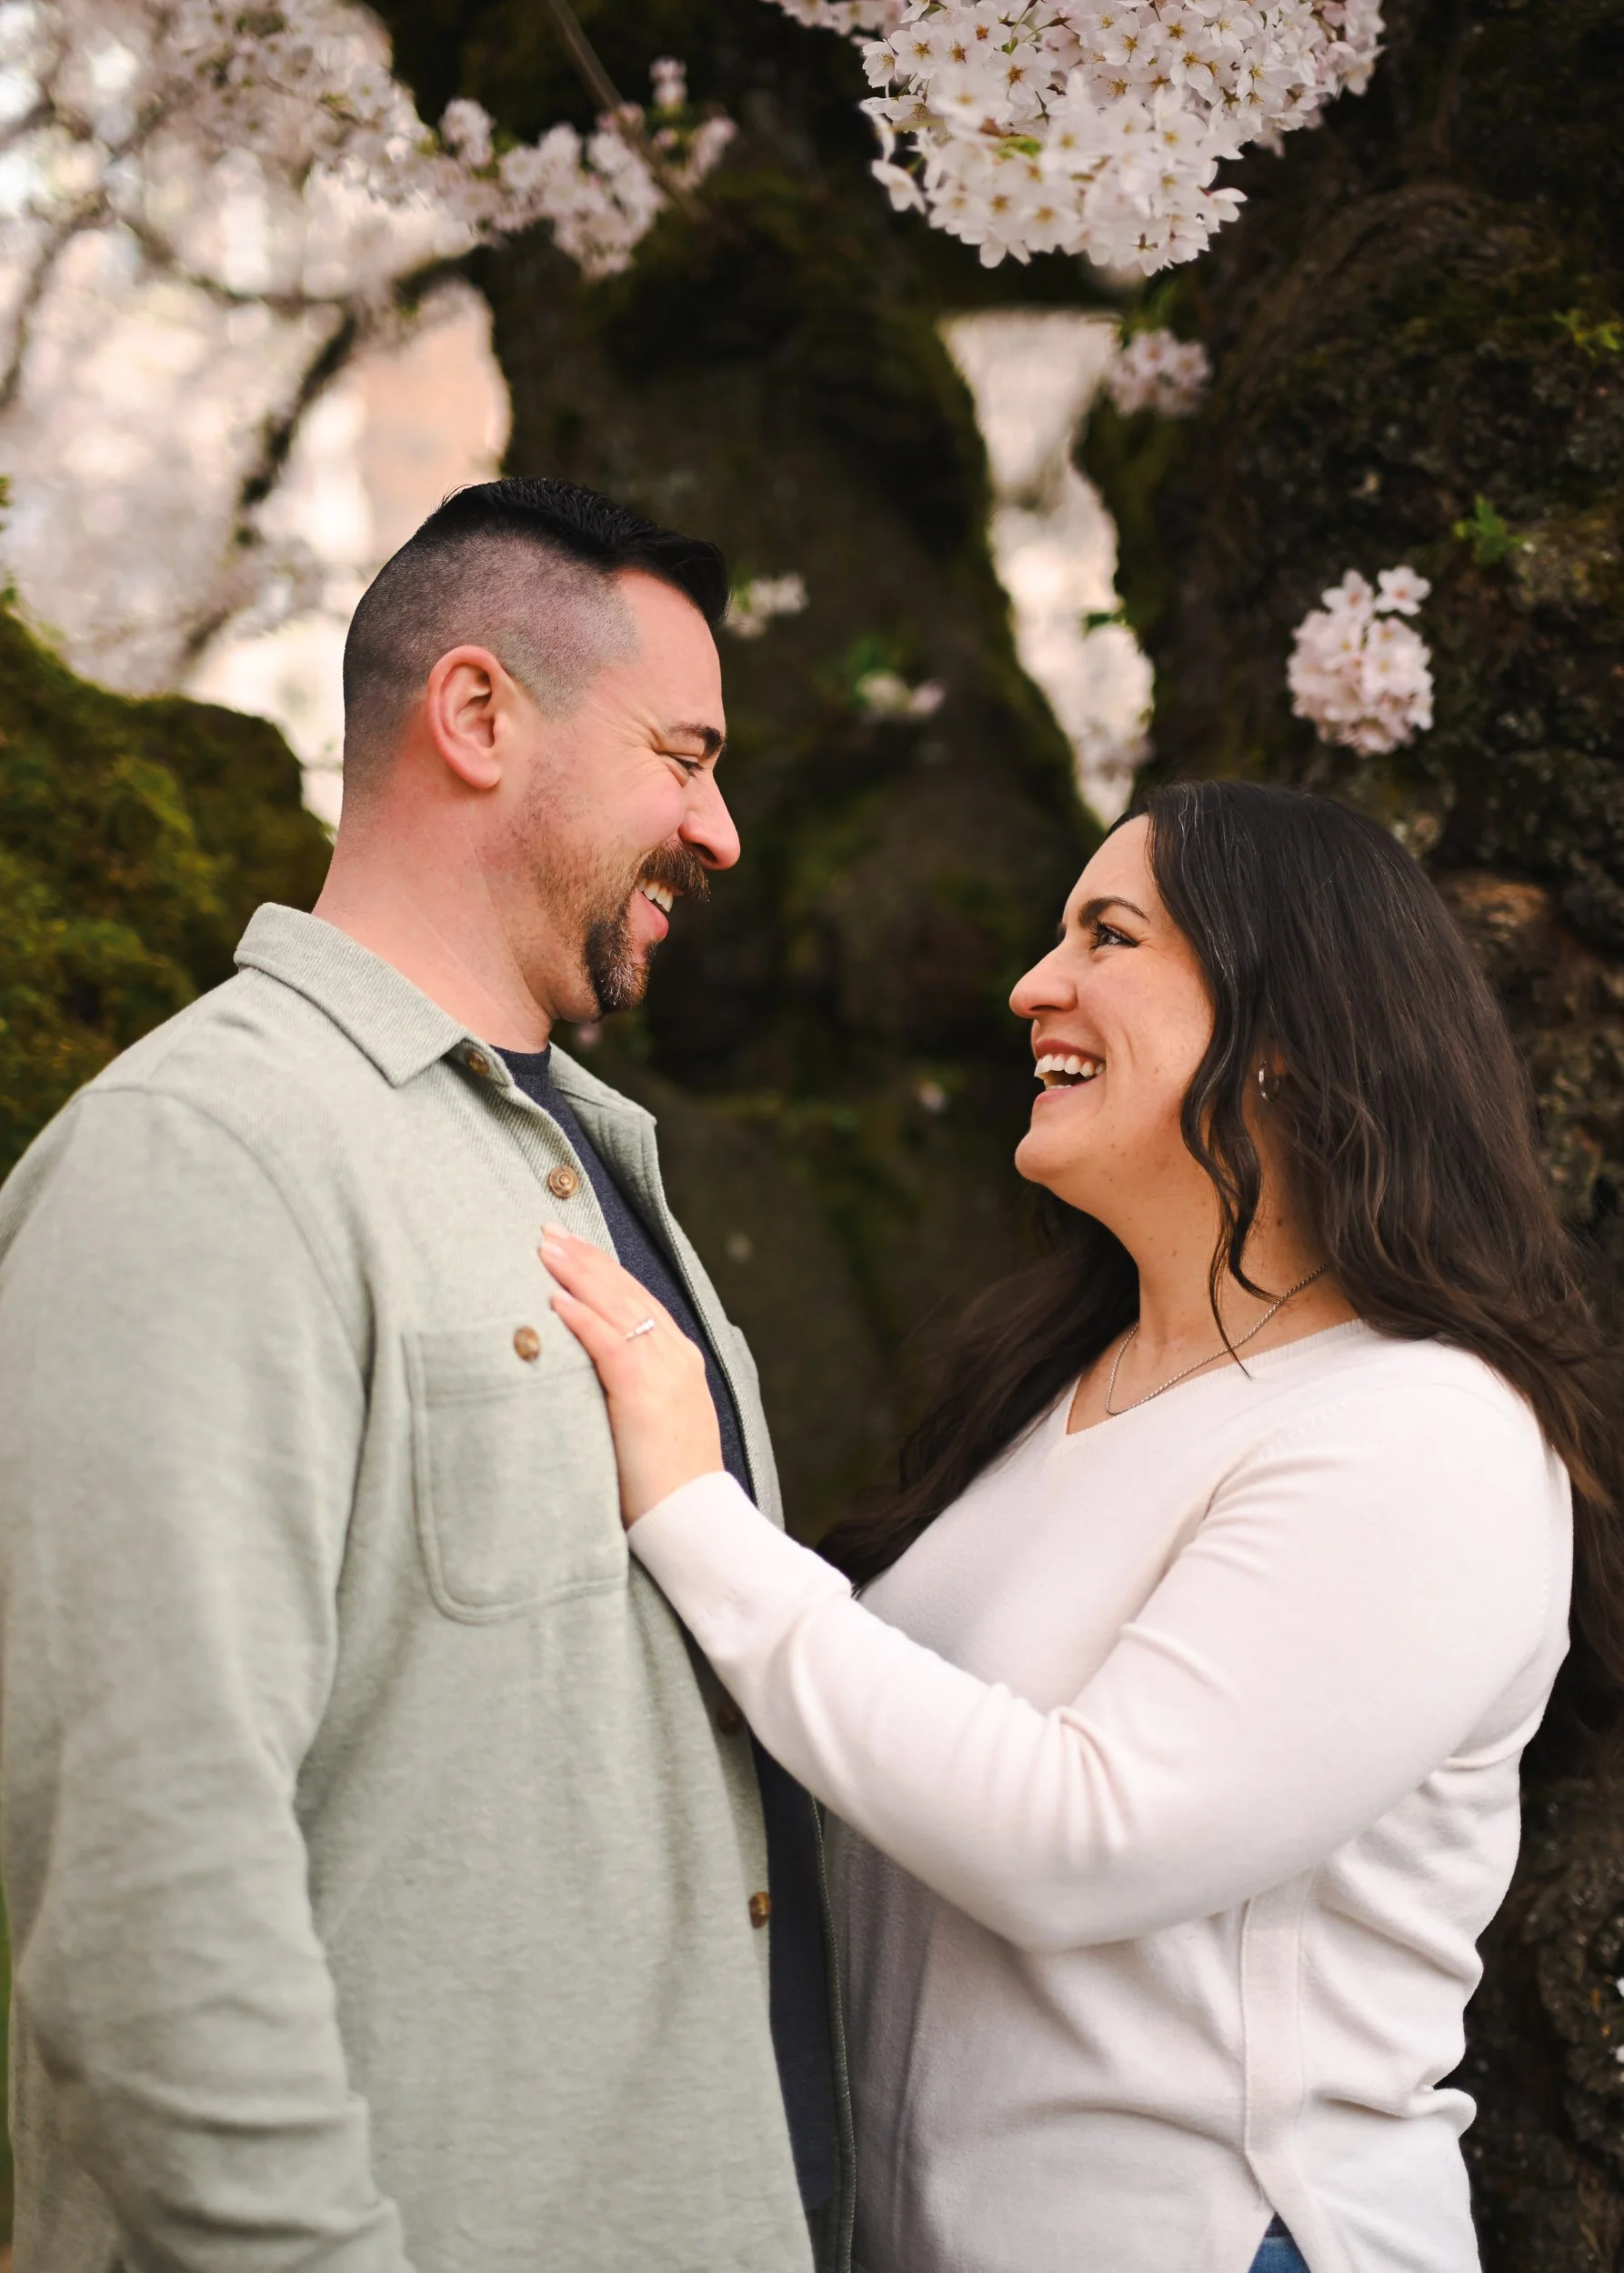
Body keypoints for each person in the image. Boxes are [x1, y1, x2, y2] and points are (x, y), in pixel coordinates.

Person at [542, 779, 1624, 2273]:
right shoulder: (1057, 1388)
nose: (1030, 985)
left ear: (1292, 1023)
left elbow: (1080, 1842)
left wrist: (689, 1510)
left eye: (1107, 935)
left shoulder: (1422, 1431)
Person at [0, 477, 848, 2272]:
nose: (720, 829)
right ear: (477, 716)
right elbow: (145, 1890)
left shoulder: (601, 1165)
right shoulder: (203, 1155)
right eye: (681, 753)